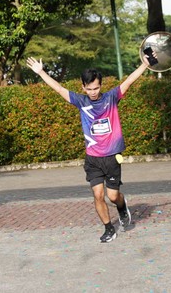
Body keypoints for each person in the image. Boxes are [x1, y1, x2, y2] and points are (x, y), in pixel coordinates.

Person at [26, 54, 154, 243]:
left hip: (112, 156)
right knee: (98, 194)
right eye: (89, 88)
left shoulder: (111, 97)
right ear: (83, 87)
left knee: (112, 196)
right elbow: (59, 88)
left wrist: (144, 64)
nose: (93, 92)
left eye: (96, 88)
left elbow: (129, 81)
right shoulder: (81, 101)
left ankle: (121, 206)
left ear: (101, 85)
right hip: (93, 158)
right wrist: (41, 72)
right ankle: (109, 228)